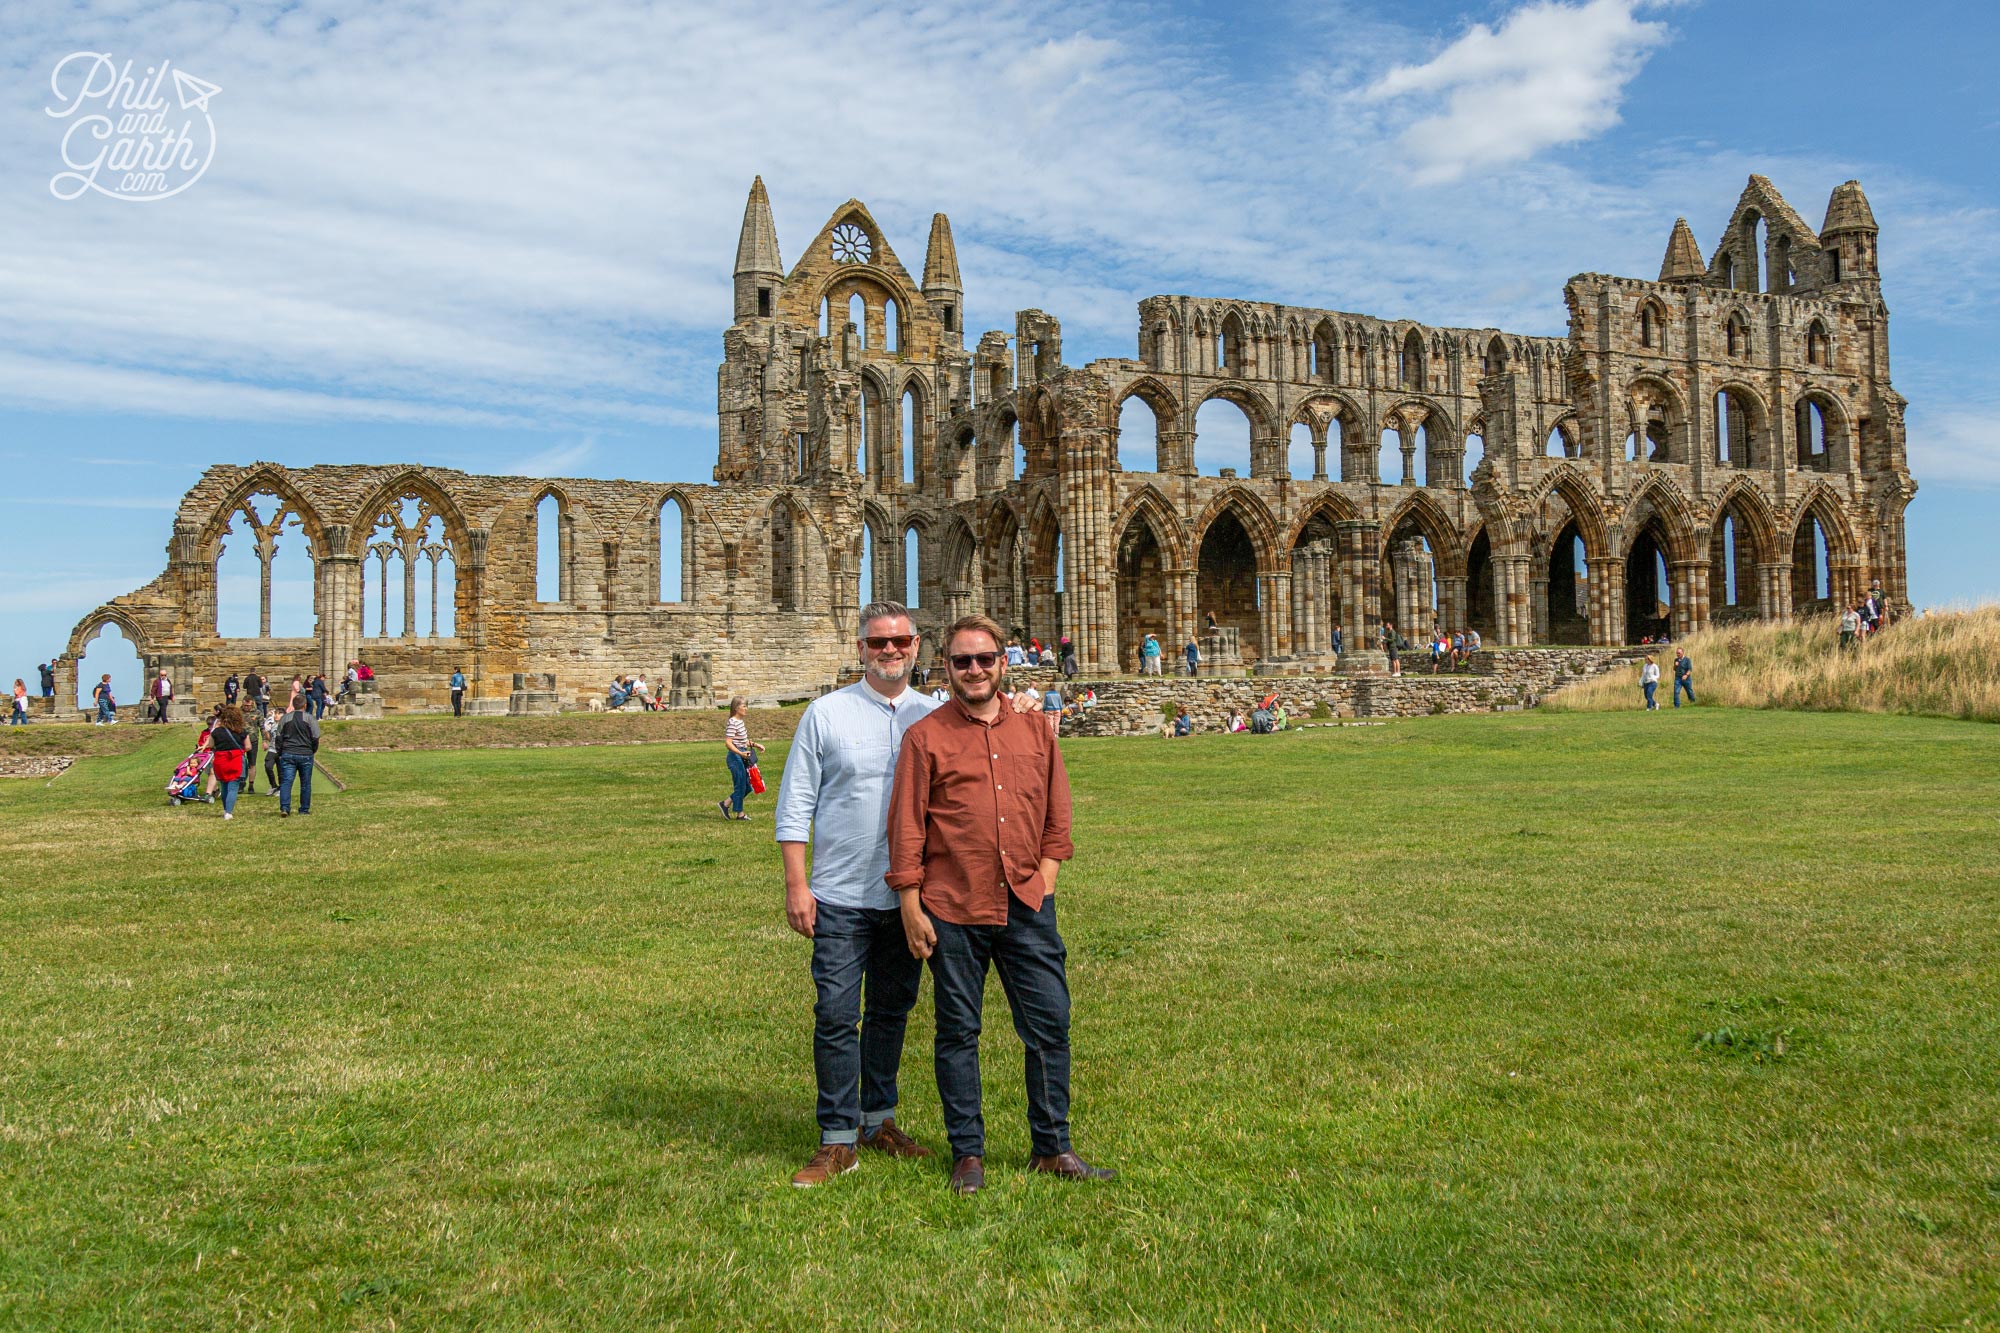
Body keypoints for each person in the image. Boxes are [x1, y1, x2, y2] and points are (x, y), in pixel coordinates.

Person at [888, 613, 1112, 1195]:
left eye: (984, 659)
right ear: (947, 667)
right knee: (959, 1031)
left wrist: (1047, 878)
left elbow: (1057, 816)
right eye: (962, 661)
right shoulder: (925, 737)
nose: (974, 669)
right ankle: (968, 1153)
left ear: (1002, 663)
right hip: (952, 905)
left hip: (1026, 902)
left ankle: (1052, 1147)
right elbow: (907, 829)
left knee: (1049, 1023)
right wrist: (911, 906)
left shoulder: (1036, 732)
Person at [774, 601, 942, 1187]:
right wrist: (798, 883)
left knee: (892, 1012)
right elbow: (796, 802)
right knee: (837, 1014)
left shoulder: (935, 715)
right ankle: (837, 1137)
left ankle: (878, 1120)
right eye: (878, 643)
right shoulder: (826, 714)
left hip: (908, 897)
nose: (889, 652)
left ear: (917, 646)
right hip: (839, 893)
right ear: (861, 649)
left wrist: (1023, 703)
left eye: (899, 642)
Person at [274, 692, 320, 816]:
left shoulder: (285, 718)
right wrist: (312, 750)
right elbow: (315, 737)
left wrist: (280, 752)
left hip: (288, 752)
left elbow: (278, 737)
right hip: (305, 753)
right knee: (305, 783)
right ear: (304, 705)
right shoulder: (310, 718)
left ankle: (285, 807)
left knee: (286, 782)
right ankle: (304, 809)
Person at [719, 696, 765, 820]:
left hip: (742, 754)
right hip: (735, 757)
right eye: (744, 706)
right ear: (736, 708)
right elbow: (728, 743)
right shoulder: (732, 722)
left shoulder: (740, 722)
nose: (746, 709)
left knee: (748, 786)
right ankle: (740, 814)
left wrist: (756, 744)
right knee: (740, 786)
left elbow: (743, 741)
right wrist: (740, 753)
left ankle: (725, 803)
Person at [209, 704, 250, 820]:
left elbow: (211, 744)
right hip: (235, 759)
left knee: (224, 786)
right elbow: (248, 747)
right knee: (233, 786)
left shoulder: (217, 732)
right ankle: (228, 811)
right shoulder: (241, 731)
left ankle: (225, 809)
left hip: (220, 760)